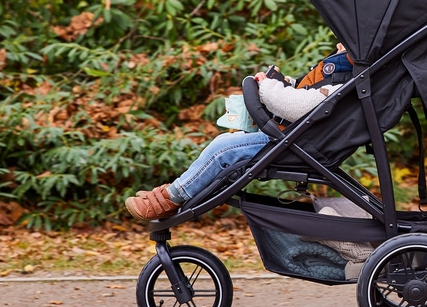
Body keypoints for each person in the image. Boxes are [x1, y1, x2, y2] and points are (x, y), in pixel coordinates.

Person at [124, 45, 353, 219]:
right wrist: (283, 82)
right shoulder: (340, 81)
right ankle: (176, 190)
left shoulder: (341, 83)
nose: (337, 48)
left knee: (223, 149)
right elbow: (305, 95)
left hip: (296, 145)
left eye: (342, 46)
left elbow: (294, 106)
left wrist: (267, 86)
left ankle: (173, 197)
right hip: (294, 140)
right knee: (227, 141)